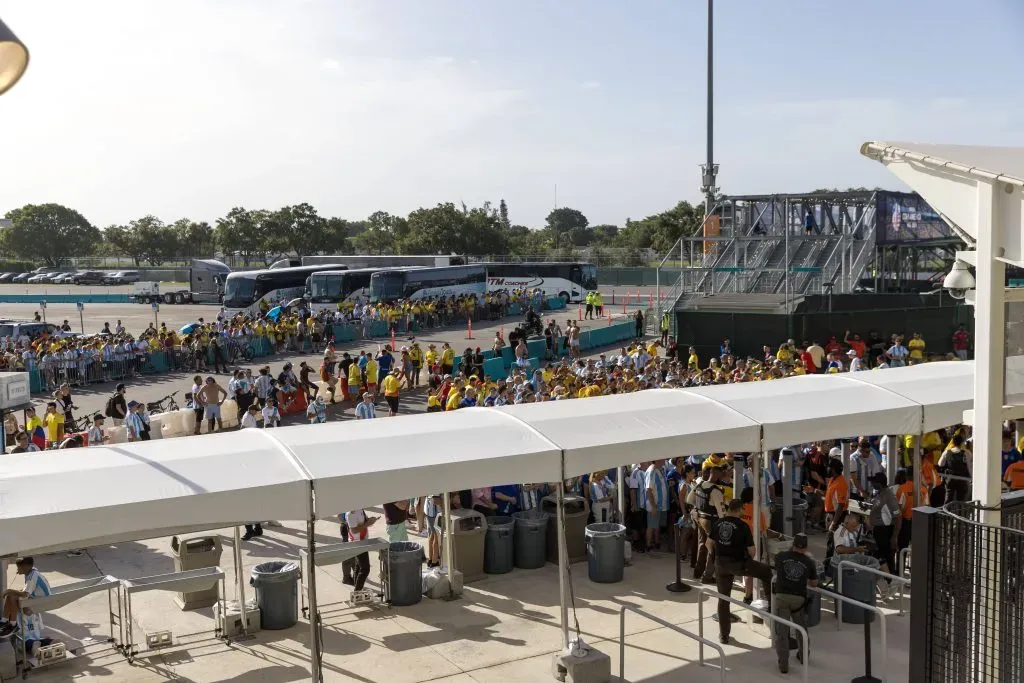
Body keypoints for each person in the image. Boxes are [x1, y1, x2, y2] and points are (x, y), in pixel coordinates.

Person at [711, 499, 772, 644]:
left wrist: (716, 558)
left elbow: (709, 543)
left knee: (723, 599)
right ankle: (771, 607)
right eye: (743, 509)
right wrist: (746, 560)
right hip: (738, 564)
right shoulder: (743, 526)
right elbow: (752, 551)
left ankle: (724, 635)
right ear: (738, 509)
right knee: (766, 572)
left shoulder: (718, 523)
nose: (744, 512)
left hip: (720, 564)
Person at [773, 534, 818, 673]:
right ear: (805, 548)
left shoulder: (780, 556)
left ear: (793, 544)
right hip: (798, 600)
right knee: (801, 629)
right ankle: (804, 656)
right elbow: (814, 583)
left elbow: (777, 569)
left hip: (781, 598)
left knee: (783, 632)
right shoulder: (809, 562)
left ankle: (783, 665)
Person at [0, 557, 51, 651]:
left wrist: (9, 590)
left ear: (25, 567)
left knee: (12, 596)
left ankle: (13, 624)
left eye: (19, 568)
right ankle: (4, 620)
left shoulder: (32, 576)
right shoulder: (30, 572)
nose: (17, 570)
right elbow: (26, 590)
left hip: (40, 600)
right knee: (10, 595)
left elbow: (25, 594)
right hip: (35, 596)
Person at [341, 508, 378, 592]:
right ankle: (357, 591)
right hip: (357, 543)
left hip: (363, 540)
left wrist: (370, 521)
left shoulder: (360, 509)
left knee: (358, 567)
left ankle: (357, 590)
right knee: (365, 568)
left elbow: (362, 522)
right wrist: (367, 523)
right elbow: (353, 530)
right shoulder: (351, 513)